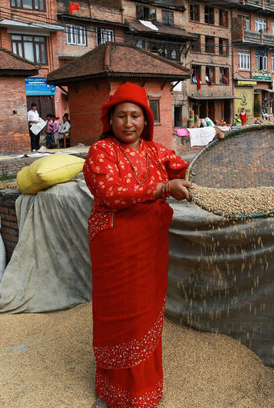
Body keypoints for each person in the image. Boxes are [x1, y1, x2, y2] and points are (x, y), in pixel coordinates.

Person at [83, 82, 193, 408]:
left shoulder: (157, 152)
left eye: (136, 116)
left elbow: (188, 171)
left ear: (146, 120)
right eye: (121, 116)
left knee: (145, 313)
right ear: (110, 119)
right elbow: (111, 194)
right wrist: (162, 188)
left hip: (150, 246)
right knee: (120, 315)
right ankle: (117, 390)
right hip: (116, 247)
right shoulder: (100, 152)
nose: (128, 123)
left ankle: (145, 388)